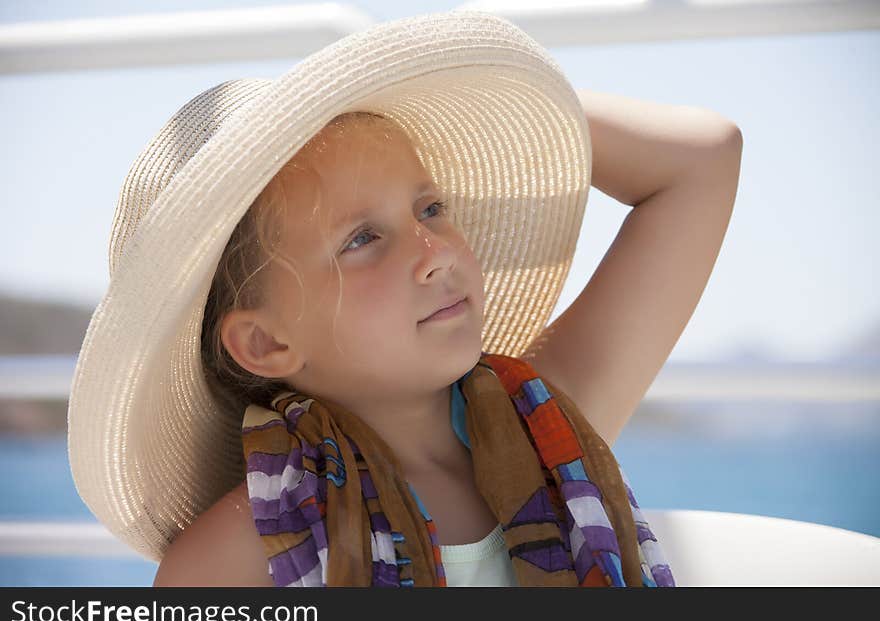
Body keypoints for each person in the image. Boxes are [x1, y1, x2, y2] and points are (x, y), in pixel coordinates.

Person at [67, 10, 740, 588]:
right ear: (266, 342)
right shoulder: (234, 559)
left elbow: (705, 160)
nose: (436, 249)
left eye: (431, 206)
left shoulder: (546, 432)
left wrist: (488, 100)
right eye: (363, 237)